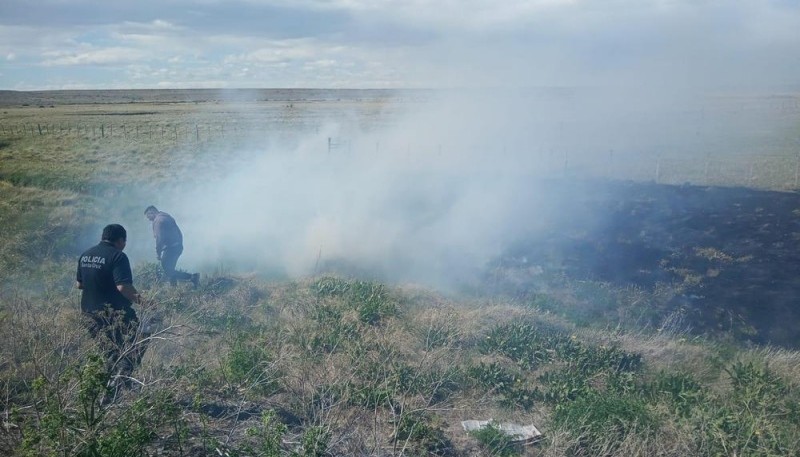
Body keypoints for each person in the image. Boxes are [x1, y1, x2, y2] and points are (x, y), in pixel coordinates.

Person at [76, 224, 145, 382]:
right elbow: (123, 287)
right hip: (113, 314)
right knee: (138, 338)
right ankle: (121, 382)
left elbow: (79, 284)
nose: (124, 245)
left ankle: (108, 386)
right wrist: (145, 302)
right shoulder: (118, 256)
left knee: (109, 351)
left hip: (88, 314)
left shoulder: (86, 254)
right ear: (120, 240)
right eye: (124, 242)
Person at [144, 205, 199, 287]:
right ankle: (174, 287)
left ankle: (192, 277)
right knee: (170, 268)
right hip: (177, 246)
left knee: (167, 268)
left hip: (171, 248)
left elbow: (159, 238)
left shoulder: (158, 221)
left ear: (152, 212)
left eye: (149, 217)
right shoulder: (166, 216)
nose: (149, 220)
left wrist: (158, 253)